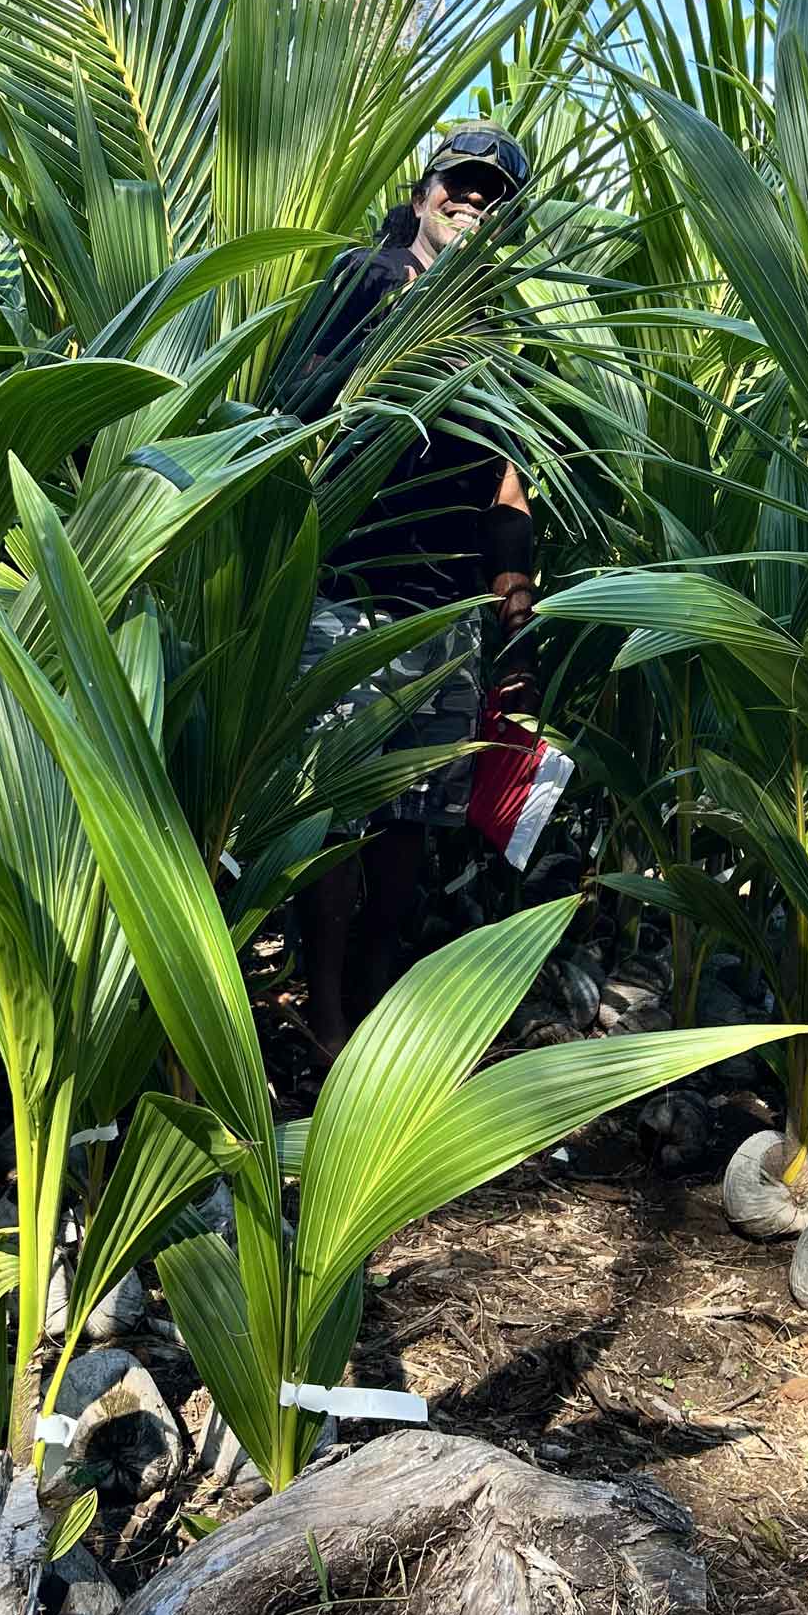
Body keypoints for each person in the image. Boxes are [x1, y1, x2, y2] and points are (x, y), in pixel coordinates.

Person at [287, 121, 539, 1055]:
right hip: (351, 590)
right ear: (426, 188)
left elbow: (505, 478)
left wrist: (514, 596)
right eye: (458, 183)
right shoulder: (366, 278)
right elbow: (294, 398)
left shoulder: (495, 333)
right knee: (337, 809)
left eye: (491, 194)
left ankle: (380, 1008)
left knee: (415, 821)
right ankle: (325, 1014)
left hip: (445, 607)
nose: (470, 200)